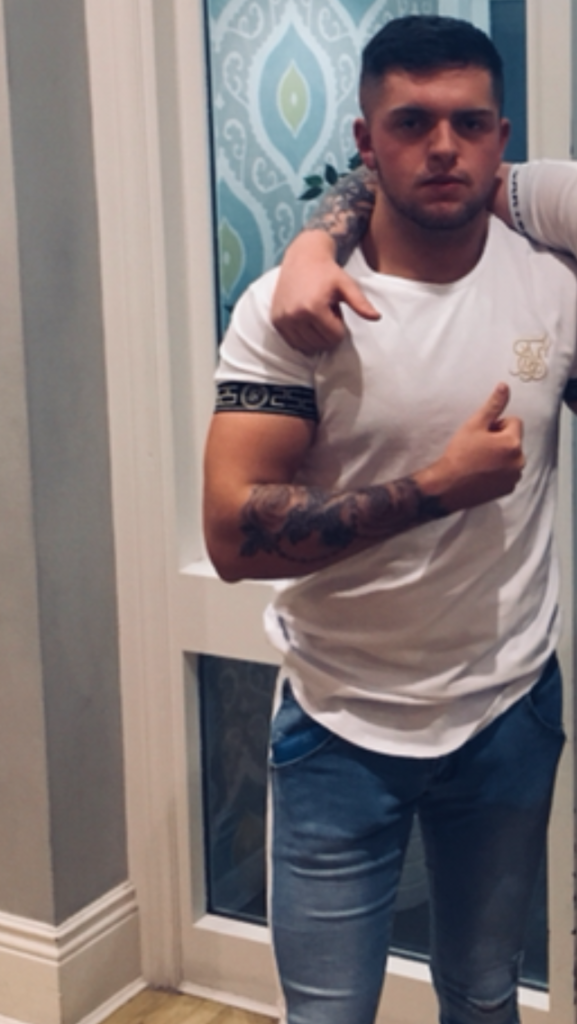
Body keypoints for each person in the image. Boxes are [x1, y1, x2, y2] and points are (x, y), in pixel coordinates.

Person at [203, 15, 577, 1024]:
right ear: (366, 141)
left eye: (468, 123)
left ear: (501, 139)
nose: (442, 147)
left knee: (485, 994)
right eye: (411, 123)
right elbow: (232, 534)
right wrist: (436, 487)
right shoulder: (292, 309)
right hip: (340, 721)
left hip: (508, 712)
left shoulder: (551, 286)